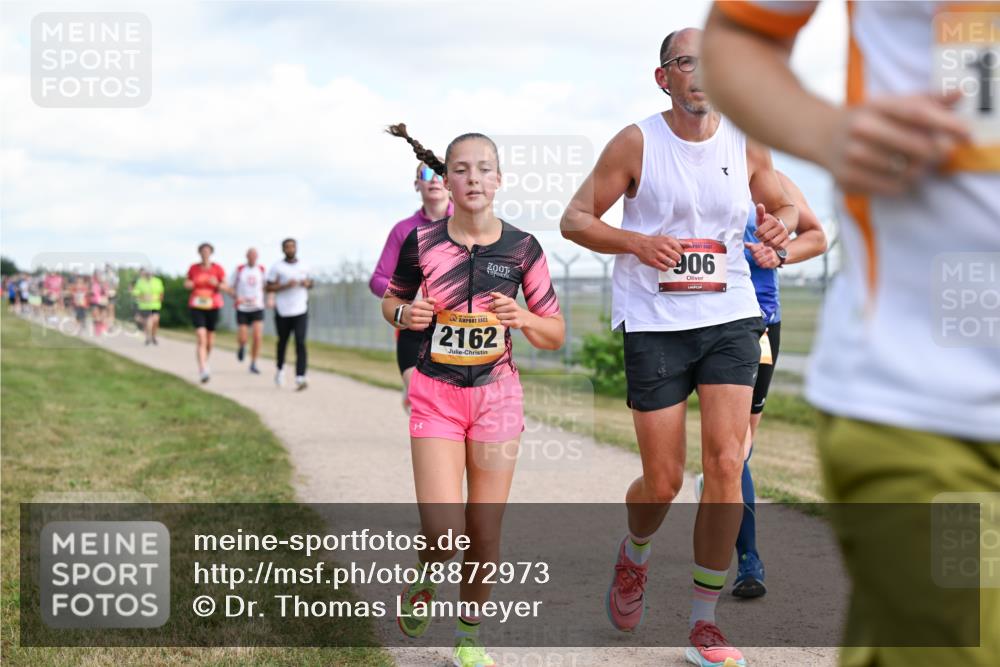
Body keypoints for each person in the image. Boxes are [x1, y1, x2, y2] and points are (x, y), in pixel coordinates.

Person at [703, 3, 999, 666]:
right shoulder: (675, 151)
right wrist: (832, 134)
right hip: (930, 398)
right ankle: (737, 560)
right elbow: (740, 36)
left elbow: (802, 229)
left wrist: (783, 245)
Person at [560, 28, 797, 667]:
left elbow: (781, 208)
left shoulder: (748, 138)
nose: (702, 73)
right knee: (662, 482)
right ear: (664, 78)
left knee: (725, 464)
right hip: (656, 321)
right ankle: (635, 554)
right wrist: (638, 243)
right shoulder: (637, 141)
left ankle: (704, 623)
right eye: (686, 62)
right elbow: (575, 219)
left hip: (731, 316)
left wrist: (780, 225)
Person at [383, 123, 564, 667]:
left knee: (483, 532)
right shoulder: (422, 244)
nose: (472, 178)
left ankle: (468, 635)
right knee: (443, 533)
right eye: (460, 169)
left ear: (499, 179)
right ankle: (425, 575)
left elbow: (554, 336)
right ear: (446, 179)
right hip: (436, 393)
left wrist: (525, 316)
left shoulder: (524, 248)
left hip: (496, 397)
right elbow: (390, 302)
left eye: (483, 168)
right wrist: (405, 313)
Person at [695, 170, 828, 599]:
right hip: (692, 321)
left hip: (759, 323)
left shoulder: (772, 180)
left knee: (739, 447)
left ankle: (747, 556)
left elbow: (817, 236)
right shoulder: (685, 169)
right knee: (724, 453)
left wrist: (780, 255)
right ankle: (726, 507)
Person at [371, 162, 454, 412]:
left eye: (440, 172)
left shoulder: (469, 224)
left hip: (457, 327)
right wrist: (411, 292)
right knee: (426, 401)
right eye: (425, 174)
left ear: (450, 181)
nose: (434, 179)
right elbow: (378, 279)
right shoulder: (404, 230)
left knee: (452, 405)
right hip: (415, 327)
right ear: (416, 184)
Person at [266, 238, 312, 390]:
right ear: (283, 249)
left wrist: (307, 284)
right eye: (287, 247)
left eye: (293, 246)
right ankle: (280, 369)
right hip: (283, 311)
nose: (290, 249)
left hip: (300, 310)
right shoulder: (277, 267)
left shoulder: (304, 265)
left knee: (300, 341)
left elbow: (311, 283)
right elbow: (268, 287)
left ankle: (300, 376)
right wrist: (285, 285)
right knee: (283, 342)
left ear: (296, 248)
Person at [184, 243, 229, 383]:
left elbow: (226, 287)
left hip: (212, 305)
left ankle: (205, 361)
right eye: (202, 251)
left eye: (207, 251)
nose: (205, 253)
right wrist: (189, 284)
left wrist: (217, 283)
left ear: (211, 253)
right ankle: (203, 368)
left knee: (209, 341)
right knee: (201, 336)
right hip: (197, 305)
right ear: (199, 253)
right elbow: (186, 283)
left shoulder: (218, 269)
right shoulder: (193, 268)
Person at [232, 248, 267, 374]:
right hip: (242, 308)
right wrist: (237, 297)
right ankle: (242, 346)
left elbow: (267, 286)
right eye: (250, 255)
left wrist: (270, 299)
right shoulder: (240, 270)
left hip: (257, 307)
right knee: (243, 337)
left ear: (257, 257)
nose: (252, 257)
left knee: (257, 336)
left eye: (255, 255)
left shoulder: (261, 270)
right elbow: (231, 288)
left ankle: (253, 363)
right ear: (246, 256)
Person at [132, 268, 164, 345]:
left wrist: (159, 298)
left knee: (155, 322)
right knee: (147, 323)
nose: (149, 275)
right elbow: (135, 293)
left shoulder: (158, 281)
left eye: (150, 273)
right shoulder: (140, 282)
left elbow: (161, 293)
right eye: (147, 273)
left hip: (155, 306)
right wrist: (143, 297)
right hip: (144, 306)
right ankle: (147, 337)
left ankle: (153, 336)